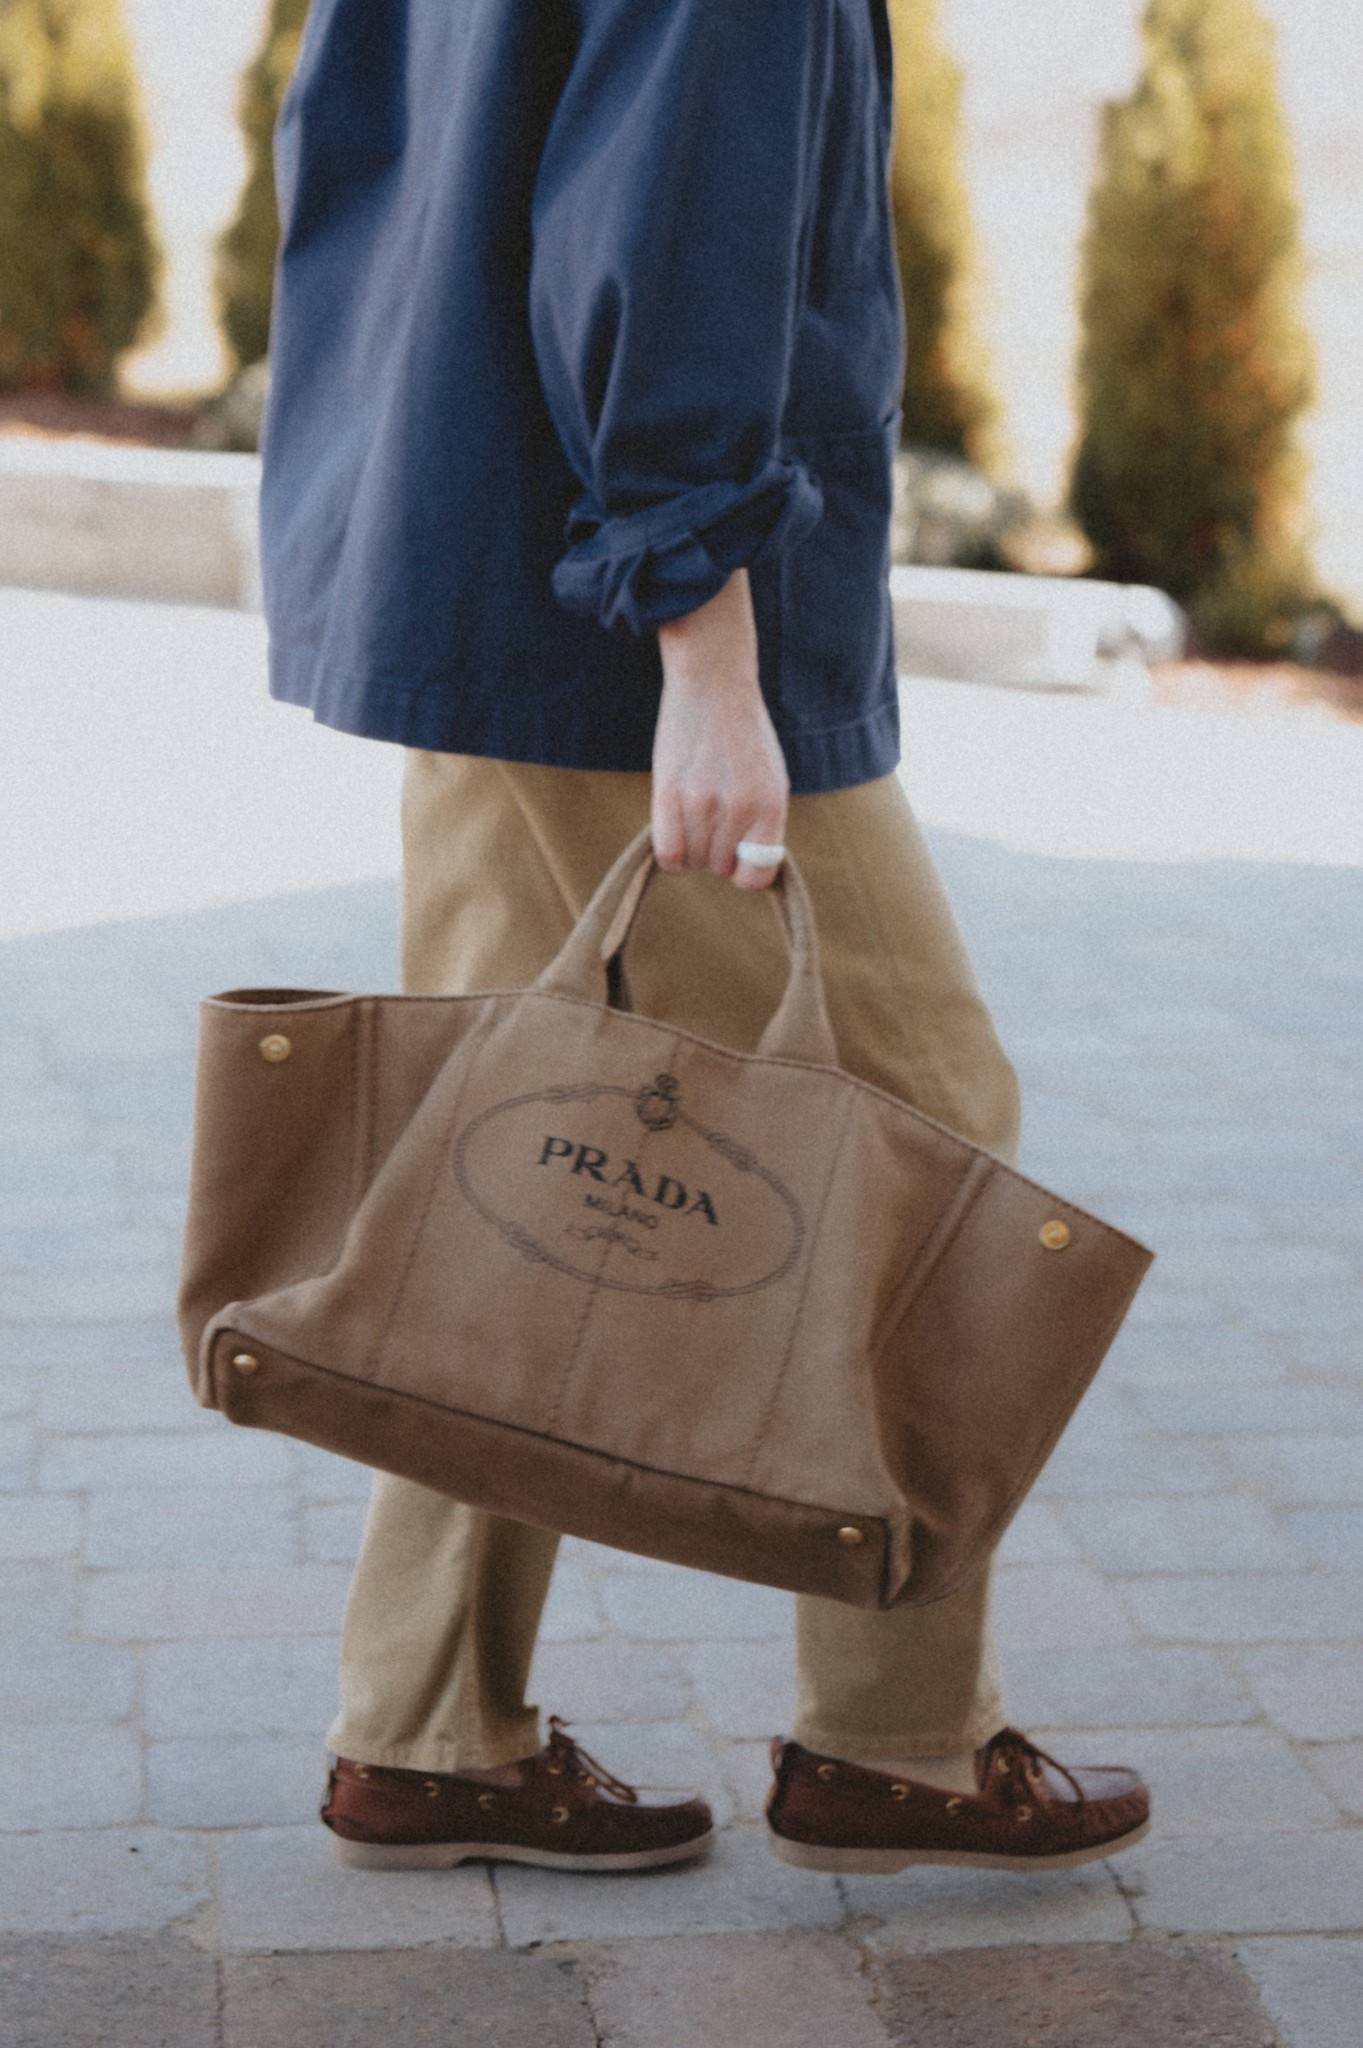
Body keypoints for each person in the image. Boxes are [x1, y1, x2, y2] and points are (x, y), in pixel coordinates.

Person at [260, 0, 1150, 1876]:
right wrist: (707, 645)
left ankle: (427, 1732)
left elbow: (352, 138)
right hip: (620, 620)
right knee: (926, 1107)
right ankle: (898, 1741)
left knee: (499, 1139)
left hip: (470, 538)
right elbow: (669, 229)